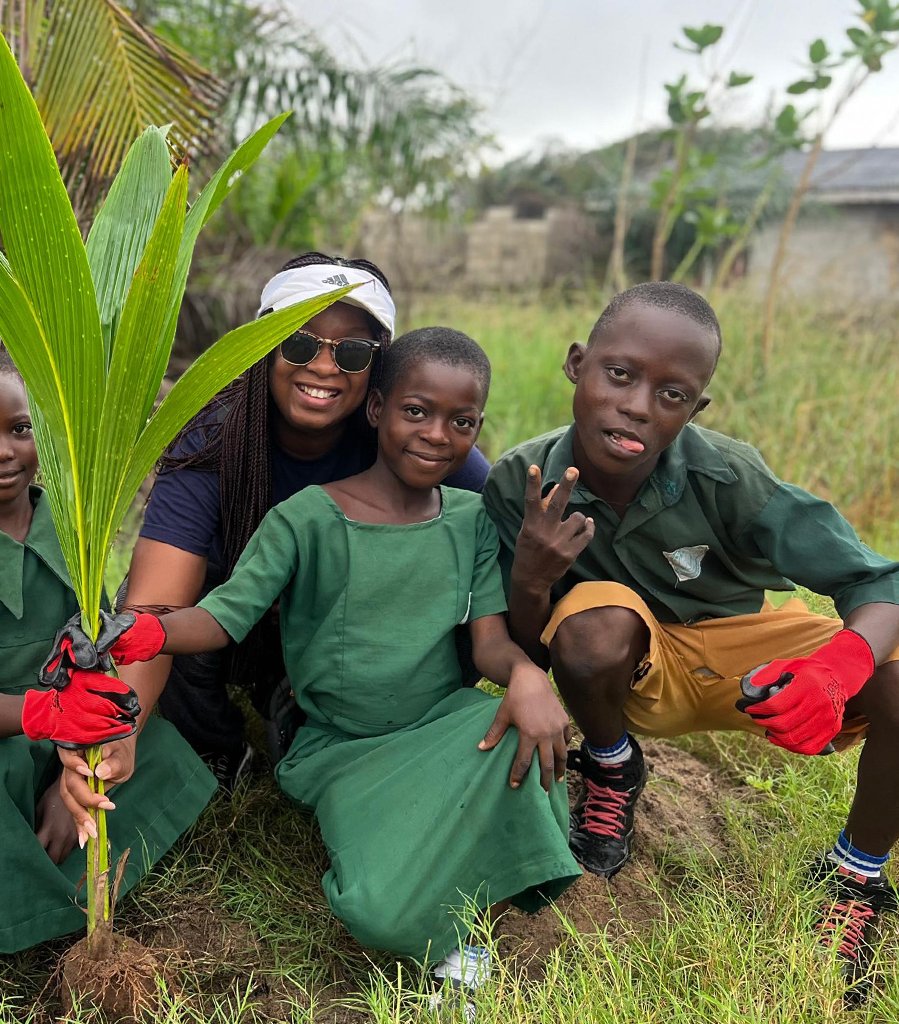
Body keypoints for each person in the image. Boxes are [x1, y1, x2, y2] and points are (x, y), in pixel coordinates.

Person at [54, 329, 577, 1009]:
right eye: (416, 412)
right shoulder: (306, 519)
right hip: (341, 745)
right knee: (376, 911)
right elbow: (222, 618)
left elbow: (488, 648)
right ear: (377, 410)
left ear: (478, 430)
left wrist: (528, 675)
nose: (436, 435)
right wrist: (141, 629)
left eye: (462, 422)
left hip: (440, 724)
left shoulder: (473, 519)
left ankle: (471, 945)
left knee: (521, 734)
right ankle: (435, 881)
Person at [483, 281, 899, 1006]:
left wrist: (838, 668)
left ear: (696, 408)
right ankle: (611, 770)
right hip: (632, 667)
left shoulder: (727, 474)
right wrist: (530, 575)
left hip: (747, 651)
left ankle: (855, 874)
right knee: (590, 622)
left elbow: (880, 582)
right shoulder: (523, 483)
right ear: (577, 364)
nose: (640, 405)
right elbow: (535, 649)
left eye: (673, 394)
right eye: (620, 374)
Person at [94, 252, 493, 804]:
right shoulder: (215, 434)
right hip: (231, 619)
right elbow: (153, 610)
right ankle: (215, 745)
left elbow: (500, 547)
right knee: (162, 610)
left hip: (349, 629)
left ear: (380, 369)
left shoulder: (410, 438)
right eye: (299, 341)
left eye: (353, 352)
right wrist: (116, 738)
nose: (324, 367)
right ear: (262, 343)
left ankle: (353, 722)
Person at [0, 351, 217, 954]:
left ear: (43, 434)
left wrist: (69, 773)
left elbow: (96, 650)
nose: (1, 451)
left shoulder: (75, 520)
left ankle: (61, 868)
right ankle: (23, 910)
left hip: (61, 726)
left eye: (20, 430)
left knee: (154, 749)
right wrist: (53, 725)